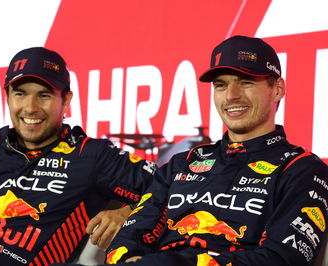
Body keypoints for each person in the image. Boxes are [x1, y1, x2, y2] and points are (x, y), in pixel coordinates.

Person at [104, 35, 328, 265]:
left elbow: (283, 259)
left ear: (277, 89)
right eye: (221, 85)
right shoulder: (181, 163)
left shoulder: (302, 169)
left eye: (245, 82)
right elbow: (129, 236)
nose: (231, 95)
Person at [0, 47, 157, 265]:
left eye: (44, 95)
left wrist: (128, 213)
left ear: (65, 100)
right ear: (7, 96)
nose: (30, 107)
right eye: (20, 94)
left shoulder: (90, 154)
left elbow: (171, 186)